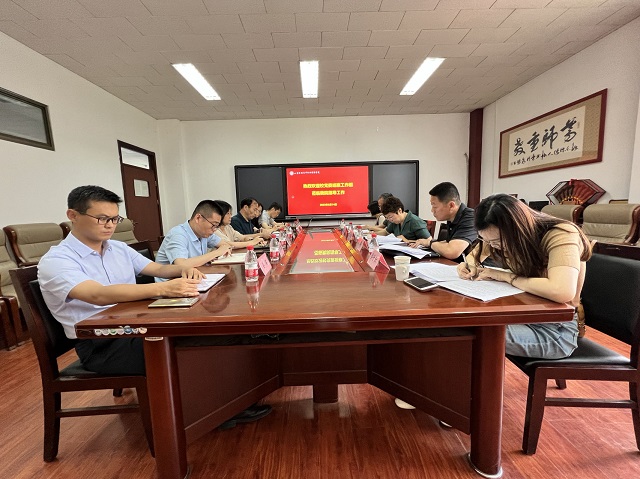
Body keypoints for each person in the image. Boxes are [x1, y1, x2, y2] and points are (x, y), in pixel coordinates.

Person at [38, 185, 205, 376]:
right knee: (195, 349)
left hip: (135, 325)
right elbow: (97, 294)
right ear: (73, 215)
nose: (110, 225)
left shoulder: (118, 248)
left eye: (115, 219)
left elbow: (158, 269)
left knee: (201, 335)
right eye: (102, 219)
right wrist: (163, 288)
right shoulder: (56, 260)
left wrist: (184, 268)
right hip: (102, 345)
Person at [457, 193, 592, 359]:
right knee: (463, 325)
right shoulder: (496, 235)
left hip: (555, 330)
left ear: (517, 228)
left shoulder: (561, 234)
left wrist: (506, 277)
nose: (493, 246)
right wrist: (468, 266)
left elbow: (562, 291)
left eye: (497, 242)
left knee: (470, 334)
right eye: (486, 240)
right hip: (521, 313)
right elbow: (473, 257)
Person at [155, 200, 233, 280]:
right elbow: (181, 265)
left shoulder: (204, 233)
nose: (214, 229)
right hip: (170, 282)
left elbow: (225, 245)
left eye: (217, 226)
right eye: (213, 225)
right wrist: (215, 253)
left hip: (194, 277)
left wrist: (221, 251)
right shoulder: (178, 235)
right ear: (198, 218)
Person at [409, 182, 477, 262]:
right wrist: (426, 242)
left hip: (482, 268)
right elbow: (449, 243)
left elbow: (452, 251)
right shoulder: (452, 218)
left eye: (434, 206)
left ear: (451, 205)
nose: (432, 210)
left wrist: (429, 243)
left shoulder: (471, 217)